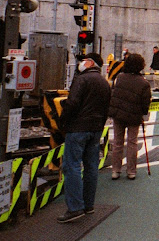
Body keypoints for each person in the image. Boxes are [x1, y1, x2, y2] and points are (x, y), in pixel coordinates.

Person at [57, 53, 110, 223]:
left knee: (71, 165)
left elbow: (72, 103)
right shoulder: (104, 82)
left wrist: (63, 121)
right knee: (91, 166)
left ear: (90, 63)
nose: (81, 63)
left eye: (83, 61)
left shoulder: (82, 79)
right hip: (95, 129)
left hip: (79, 128)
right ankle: (88, 205)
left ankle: (74, 208)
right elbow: (106, 108)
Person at [108, 53, 152, 181]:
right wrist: (143, 113)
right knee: (132, 143)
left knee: (117, 142)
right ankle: (131, 171)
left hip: (118, 115)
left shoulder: (119, 78)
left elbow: (114, 95)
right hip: (134, 116)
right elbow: (145, 103)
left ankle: (115, 170)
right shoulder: (143, 83)